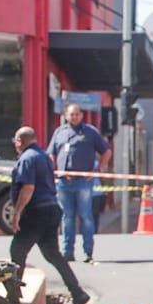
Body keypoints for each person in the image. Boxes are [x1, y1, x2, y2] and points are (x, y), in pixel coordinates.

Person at [10, 127, 90, 304]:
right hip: (51, 209)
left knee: (17, 250)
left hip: (36, 211)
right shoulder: (43, 156)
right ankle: (77, 292)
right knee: (52, 254)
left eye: (15, 141)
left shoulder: (27, 158)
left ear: (20, 141)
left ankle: (12, 298)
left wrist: (17, 213)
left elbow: (28, 187)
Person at [48, 103, 111, 264]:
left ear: (81, 115)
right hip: (63, 182)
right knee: (67, 217)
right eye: (71, 114)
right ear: (66, 115)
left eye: (77, 114)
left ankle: (88, 252)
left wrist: (97, 171)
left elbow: (106, 151)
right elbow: (52, 153)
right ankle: (68, 252)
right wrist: (53, 170)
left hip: (83, 182)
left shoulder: (90, 132)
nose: (74, 117)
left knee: (85, 216)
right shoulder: (59, 132)